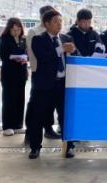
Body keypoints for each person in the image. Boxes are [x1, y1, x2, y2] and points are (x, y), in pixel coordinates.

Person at [27, 10, 77, 159]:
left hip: (63, 85)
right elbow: (43, 57)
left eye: (61, 21)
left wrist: (73, 51)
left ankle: (69, 146)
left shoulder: (67, 38)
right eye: (55, 21)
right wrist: (61, 49)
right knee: (38, 116)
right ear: (46, 24)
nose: (59, 24)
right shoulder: (38, 39)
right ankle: (35, 147)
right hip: (44, 86)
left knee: (66, 117)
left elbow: (76, 56)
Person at [25, 5, 60, 139]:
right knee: (35, 105)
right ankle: (30, 132)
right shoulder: (34, 32)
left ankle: (48, 128)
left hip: (54, 74)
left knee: (50, 104)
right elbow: (33, 53)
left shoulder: (57, 33)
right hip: (39, 71)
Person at [0, 18, 28, 136]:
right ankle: (7, 126)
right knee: (9, 99)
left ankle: (18, 125)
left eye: (18, 29)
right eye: (14, 30)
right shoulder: (4, 39)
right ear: (9, 29)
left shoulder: (23, 39)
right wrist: (14, 57)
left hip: (21, 73)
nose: (16, 32)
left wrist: (25, 58)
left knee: (20, 99)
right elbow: (3, 55)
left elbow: (28, 53)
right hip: (9, 74)